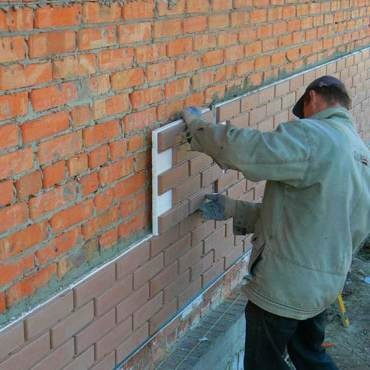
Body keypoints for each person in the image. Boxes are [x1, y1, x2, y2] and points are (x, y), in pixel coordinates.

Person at [181, 76, 370, 370]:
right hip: (323, 287)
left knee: (264, 365)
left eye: (304, 111)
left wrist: (197, 128)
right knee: (311, 357)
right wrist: (234, 209)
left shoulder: (314, 135)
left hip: (284, 288)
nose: (304, 118)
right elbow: (310, 221)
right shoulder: (361, 154)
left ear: (313, 98)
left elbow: (250, 150)